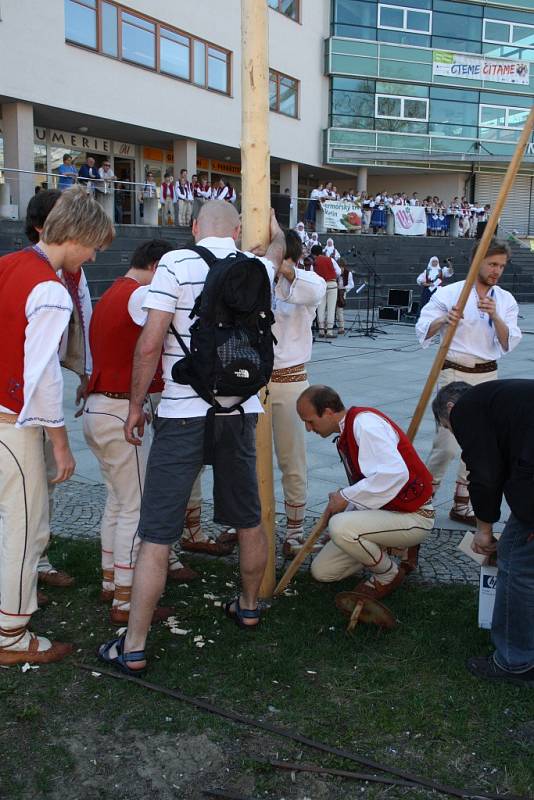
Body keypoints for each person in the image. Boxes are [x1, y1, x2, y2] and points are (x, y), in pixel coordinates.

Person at [98, 200, 285, 674]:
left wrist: (137, 406)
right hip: (241, 409)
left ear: (195, 226)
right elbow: (279, 252)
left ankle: (134, 644)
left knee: (158, 532)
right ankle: (247, 606)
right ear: (239, 229)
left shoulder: (176, 264)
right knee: (249, 520)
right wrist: (275, 231)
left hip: (183, 410)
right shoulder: (258, 265)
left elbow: (151, 342)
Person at [0, 186, 114, 666]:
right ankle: (10, 634)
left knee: (13, 523)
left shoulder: (9, 264)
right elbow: (42, 378)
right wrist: (61, 445)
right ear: (78, 235)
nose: (92, 256)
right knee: (25, 527)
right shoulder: (48, 288)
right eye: (94, 247)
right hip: (13, 421)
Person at [83, 239, 198, 625]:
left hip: (99, 407)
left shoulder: (114, 292)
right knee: (135, 506)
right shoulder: (140, 294)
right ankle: (126, 601)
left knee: (119, 501)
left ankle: (111, 581)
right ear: (156, 265)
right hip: (117, 409)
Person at [432, 380, 534, 687]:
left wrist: (484, 530)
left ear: (450, 408)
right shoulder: (500, 400)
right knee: (518, 549)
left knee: (517, 566)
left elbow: (486, 472)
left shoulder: (467, 410)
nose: (456, 434)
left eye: (449, 428)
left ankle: (515, 661)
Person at [416, 239, 521, 524]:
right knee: (447, 444)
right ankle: (423, 501)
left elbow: (508, 341)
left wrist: (495, 315)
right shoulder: (450, 293)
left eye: (501, 265)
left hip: (488, 375)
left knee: (480, 445)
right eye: (492, 264)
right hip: (454, 372)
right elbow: (423, 329)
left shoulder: (505, 300)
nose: (497, 270)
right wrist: (445, 321)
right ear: (477, 261)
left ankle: (462, 504)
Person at [296, 386, 434, 595]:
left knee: (341, 527)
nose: (308, 428)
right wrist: (347, 505)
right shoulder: (348, 429)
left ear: (328, 412)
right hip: (388, 512)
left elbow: (394, 474)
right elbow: (371, 485)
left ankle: (388, 573)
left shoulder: (365, 424)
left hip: (414, 515)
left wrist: (345, 498)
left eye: (310, 421)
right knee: (323, 571)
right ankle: (391, 546)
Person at [24, 189, 93, 591]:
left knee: (38, 488)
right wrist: (60, 439)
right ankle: (17, 602)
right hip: (19, 404)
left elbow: (85, 320)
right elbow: (40, 369)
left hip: (26, 400)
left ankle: (35, 561)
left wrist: (87, 371)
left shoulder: (69, 273)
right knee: (25, 496)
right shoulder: (43, 281)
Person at [270, 230, 326, 556]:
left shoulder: (307, 282)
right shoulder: (256, 279)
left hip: (290, 381)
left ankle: (294, 531)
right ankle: (250, 523)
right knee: (250, 459)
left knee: (292, 460)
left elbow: (313, 288)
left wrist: (282, 266)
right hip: (253, 384)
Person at [311, 244, 341, 338]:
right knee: (331, 309)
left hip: (321, 285)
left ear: (314, 254)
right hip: (332, 284)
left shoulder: (314, 262)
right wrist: (332, 276)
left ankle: (321, 331)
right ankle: (329, 332)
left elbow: (312, 274)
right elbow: (339, 272)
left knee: (320, 308)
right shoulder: (330, 259)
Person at [335, 258, 354, 335]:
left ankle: (341, 327)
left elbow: (351, 284)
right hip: (334, 291)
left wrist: (344, 289)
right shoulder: (335, 273)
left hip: (342, 292)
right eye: (339, 267)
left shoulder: (348, 273)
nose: (340, 269)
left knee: (339, 309)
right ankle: (331, 325)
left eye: (341, 267)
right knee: (332, 309)